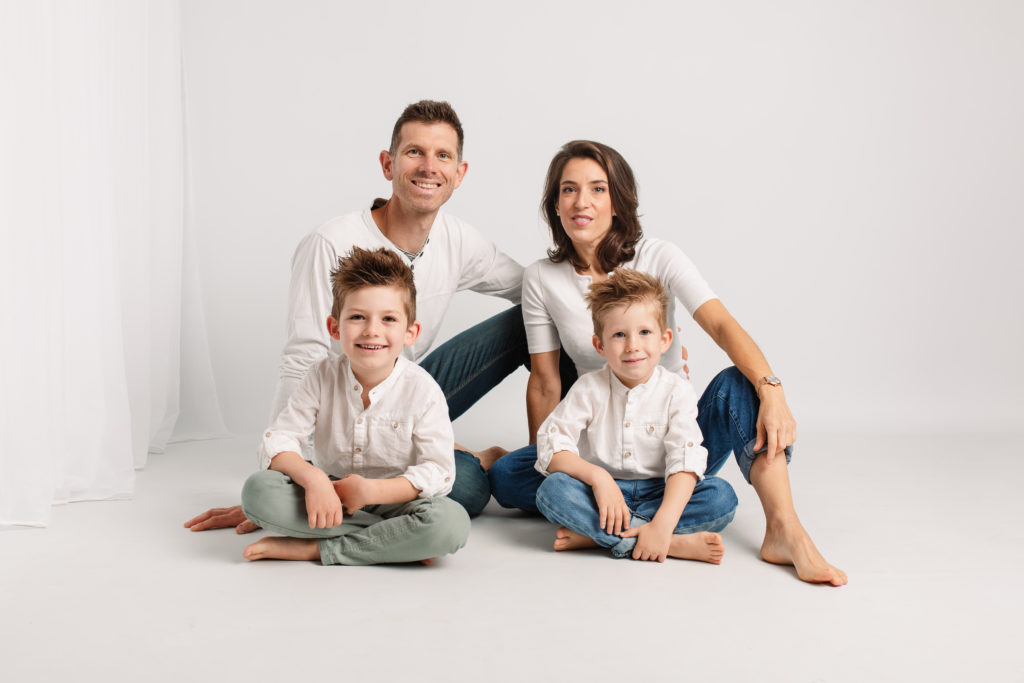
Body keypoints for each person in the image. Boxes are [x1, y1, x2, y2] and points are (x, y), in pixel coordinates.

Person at [488, 140, 847, 586]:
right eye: (568, 190)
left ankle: (784, 530)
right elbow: (544, 381)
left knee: (740, 386)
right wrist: (550, 458)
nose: (582, 202)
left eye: (598, 189)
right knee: (507, 477)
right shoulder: (542, 277)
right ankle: (656, 534)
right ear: (554, 204)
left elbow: (719, 325)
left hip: (673, 444)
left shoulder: (659, 256)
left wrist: (772, 390)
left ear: (617, 201)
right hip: (600, 445)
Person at [185, 100, 526, 533]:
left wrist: (621, 293)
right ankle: (461, 461)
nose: (428, 167)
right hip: (339, 410)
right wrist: (287, 482)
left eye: (443, 156)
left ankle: (559, 460)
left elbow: (536, 287)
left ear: (459, 174)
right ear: (388, 164)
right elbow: (302, 356)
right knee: (466, 488)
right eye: (414, 152)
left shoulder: (459, 240)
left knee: (532, 317)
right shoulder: (331, 242)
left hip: (407, 391)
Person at [240, 247, 470, 565]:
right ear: (335, 328)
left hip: (395, 499)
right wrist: (314, 479)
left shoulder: (422, 390)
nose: (372, 330)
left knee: (450, 524)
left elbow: (439, 471)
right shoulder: (321, 375)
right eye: (357, 317)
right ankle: (396, 541)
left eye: (388, 319)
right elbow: (279, 439)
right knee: (258, 492)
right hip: (328, 494)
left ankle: (319, 549)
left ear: (410, 332)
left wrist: (373, 492)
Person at [534, 269, 736, 563]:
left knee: (721, 496)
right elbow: (551, 444)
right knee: (552, 491)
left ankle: (608, 537)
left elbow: (684, 458)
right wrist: (599, 478)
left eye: (644, 332)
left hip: (660, 491)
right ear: (600, 345)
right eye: (619, 335)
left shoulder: (676, 390)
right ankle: (670, 543)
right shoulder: (588, 388)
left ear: (665, 339)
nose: (632, 346)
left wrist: (664, 520)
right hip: (602, 494)